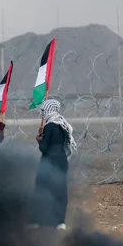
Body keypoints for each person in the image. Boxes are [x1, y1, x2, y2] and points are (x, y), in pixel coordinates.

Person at [29, 99, 77, 231]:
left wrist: (39, 139)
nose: (42, 113)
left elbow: (44, 148)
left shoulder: (49, 126)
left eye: (43, 110)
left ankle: (38, 220)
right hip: (61, 161)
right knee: (60, 190)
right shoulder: (63, 124)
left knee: (42, 189)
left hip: (49, 162)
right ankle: (60, 221)